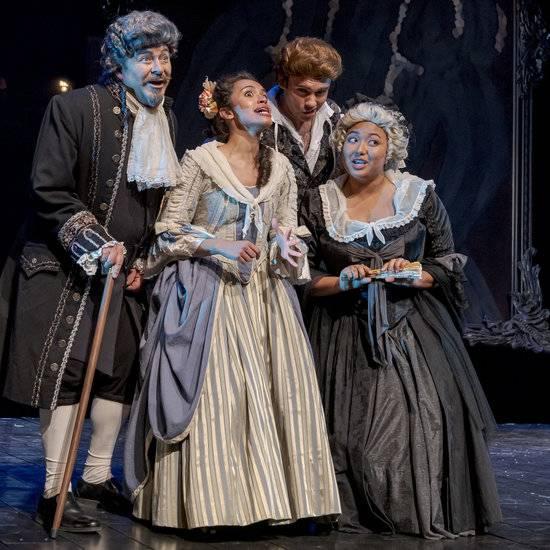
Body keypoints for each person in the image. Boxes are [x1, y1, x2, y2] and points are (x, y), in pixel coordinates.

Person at [124, 72, 341, 530]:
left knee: (272, 393)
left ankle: (269, 505)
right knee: (219, 398)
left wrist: (287, 245)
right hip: (210, 292)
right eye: (250, 95)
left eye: (264, 95)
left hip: (265, 297)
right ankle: (210, 507)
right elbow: (167, 232)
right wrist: (215, 245)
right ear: (225, 112)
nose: (263, 101)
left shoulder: (279, 167)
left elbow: (286, 225)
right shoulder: (201, 162)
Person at [0, 10, 181, 533]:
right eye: (145, 57)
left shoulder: (165, 121)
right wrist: (97, 244)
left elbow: (157, 201)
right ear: (118, 63)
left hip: (126, 273)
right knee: (67, 374)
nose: (158, 68)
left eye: (164, 57)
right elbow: (49, 189)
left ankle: (98, 478)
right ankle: (56, 488)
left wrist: (144, 258)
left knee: (116, 373)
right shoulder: (76, 108)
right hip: (65, 268)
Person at [299, 100, 502, 538]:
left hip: (409, 327)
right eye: (353, 139)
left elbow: (446, 260)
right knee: (345, 435)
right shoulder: (320, 202)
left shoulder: (417, 194)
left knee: (417, 420)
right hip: (342, 332)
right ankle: (354, 507)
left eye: (373, 141)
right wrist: (344, 280)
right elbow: (304, 277)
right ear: (340, 146)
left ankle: (411, 508)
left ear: (389, 151)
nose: (361, 149)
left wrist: (414, 274)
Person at [261, 37, 342, 208]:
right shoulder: (258, 122)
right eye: (303, 91)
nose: (312, 102)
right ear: (283, 81)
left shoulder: (332, 116)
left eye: (321, 92)